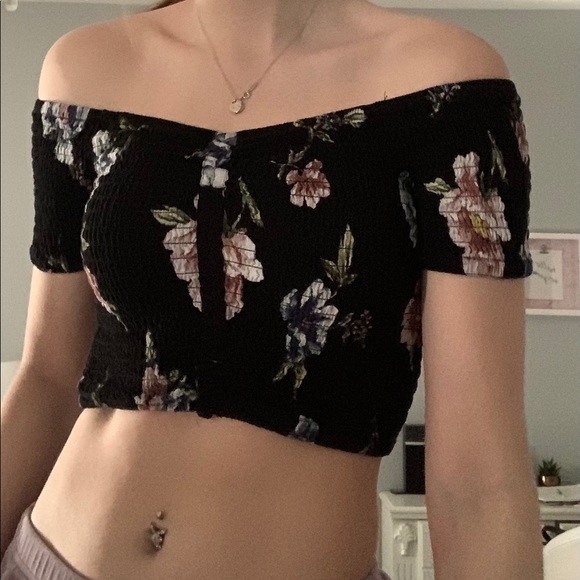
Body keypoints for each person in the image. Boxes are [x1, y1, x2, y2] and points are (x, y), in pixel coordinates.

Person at [0, 0, 544, 578]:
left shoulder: (451, 87)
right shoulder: (84, 68)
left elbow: (479, 476)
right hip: (51, 558)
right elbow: (48, 379)